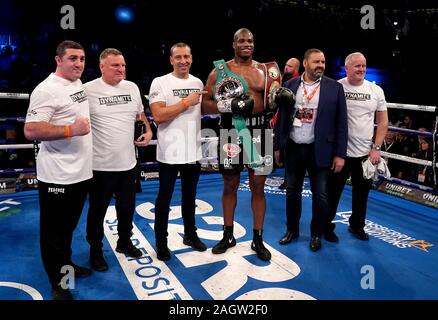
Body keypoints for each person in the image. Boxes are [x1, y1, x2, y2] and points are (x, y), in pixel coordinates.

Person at [202, 28, 280, 261]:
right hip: (232, 131)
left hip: (260, 131)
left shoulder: (265, 71)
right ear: (233, 44)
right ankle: (228, 235)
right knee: (230, 185)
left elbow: (273, 101)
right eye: (241, 41)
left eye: (250, 41)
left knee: (258, 186)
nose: (246, 44)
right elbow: (204, 105)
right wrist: (229, 107)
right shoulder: (220, 71)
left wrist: (282, 100)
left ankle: (258, 238)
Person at [24, 40, 93, 300]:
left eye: (82, 59)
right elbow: (31, 130)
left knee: (67, 228)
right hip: (57, 175)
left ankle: (67, 265)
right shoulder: (46, 89)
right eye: (73, 58)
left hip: (80, 172)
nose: (78, 64)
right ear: (58, 60)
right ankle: (58, 283)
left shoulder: (76, 84)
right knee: (54, 232)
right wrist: (69, 130)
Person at [84, 48, 153, 271]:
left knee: (127, 208)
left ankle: (125, 242)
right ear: (102, 66)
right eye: (115, 65)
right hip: (99, 166)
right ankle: (95, 250)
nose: (121, 69)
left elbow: (140, 116)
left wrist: (149, 132)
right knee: (97, 211)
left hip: (128, 163)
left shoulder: (131, 87)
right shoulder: (87, 90)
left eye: (123, 65)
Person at [274, 48, 348, 252]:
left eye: (323, 62)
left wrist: (340, 154)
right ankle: (292, 231)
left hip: (321, 149)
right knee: (292, 193)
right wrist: (278, 147)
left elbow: (342, 123)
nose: (321, 65)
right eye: (316, 62)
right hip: (294, 147)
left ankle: (316, 234)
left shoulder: (334, 88)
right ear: (305, 63)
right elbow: (281, 119)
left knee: (321, 195)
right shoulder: (289, 85)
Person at [148, 42, 207, 261]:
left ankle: (190, 235)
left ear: (191, 58)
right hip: (170, 152)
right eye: (178, 57)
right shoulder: (160, 82)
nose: (183, 61)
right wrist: (185, 102)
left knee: (190, 197)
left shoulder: (197, 82)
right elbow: (159, 116)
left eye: (187, 57)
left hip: (193, 150)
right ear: (171, 60)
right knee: (164, 199)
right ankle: (161, 243)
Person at [326, 52, 388, 242]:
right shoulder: (336, 87)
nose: (361, 69)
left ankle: (357, 226)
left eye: (364, 66)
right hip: (340, 153)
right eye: (357, 66)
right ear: (347, 68)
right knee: (333, 192)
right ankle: (326, 226)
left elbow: (383, 122)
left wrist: (376, 147)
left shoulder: (375, 90)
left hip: (364, 153)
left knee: (362, 194)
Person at [277, 57, 301, 190]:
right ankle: (288, 179)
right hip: (283, 120)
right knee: (285, 153)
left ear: (296, 68)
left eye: (290, 66)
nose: (286, 68)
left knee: (290, 154)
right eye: (286, 65)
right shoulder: (284, 81)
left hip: (294, 124)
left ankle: (290, 180)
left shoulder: (296, 84)